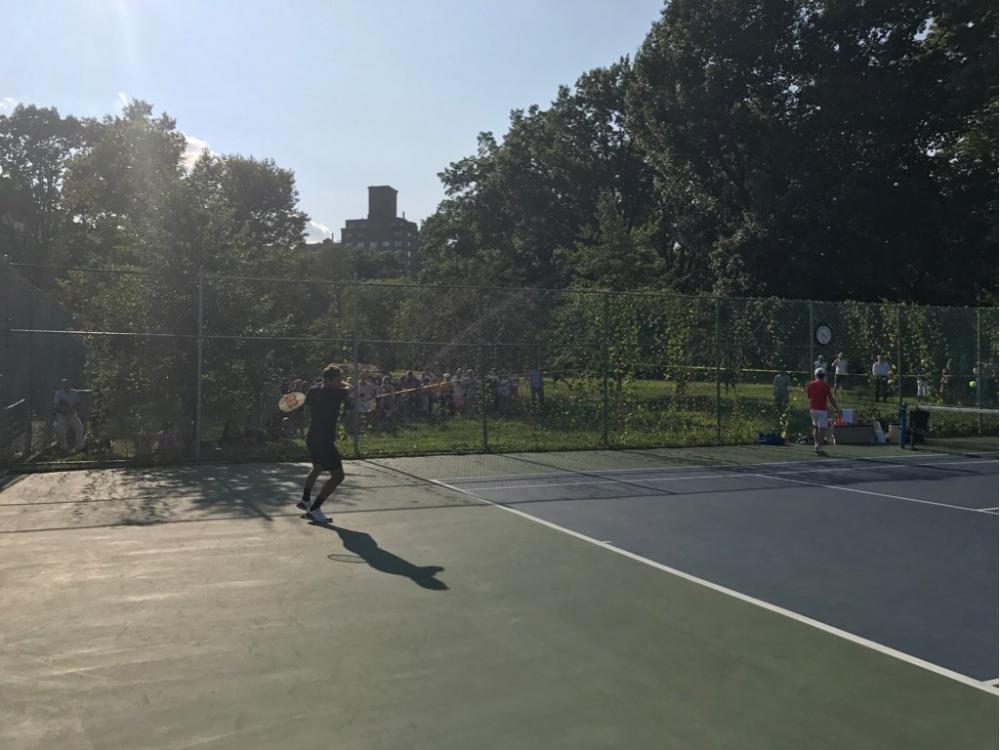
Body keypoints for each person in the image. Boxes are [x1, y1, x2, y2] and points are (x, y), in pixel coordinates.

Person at [297, 364, 350, 524]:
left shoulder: (313, 390)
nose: (340, 381)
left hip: (312, 437)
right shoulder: (337, 393)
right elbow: (350, 389)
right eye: (338, 379)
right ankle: (314, 509)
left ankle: (306, 500)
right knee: (338, 476)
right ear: (330, 380)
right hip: (324, 440)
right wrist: (344, 383)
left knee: (318, 467)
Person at [807, 368, 839, 456]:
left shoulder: (810, 384)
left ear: (815, 374)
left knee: (815, 428)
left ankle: (816, 446)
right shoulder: (825, 385)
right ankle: (820, 449)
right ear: (824, 375)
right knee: (822, 429)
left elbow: (809, 397)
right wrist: (836, 407)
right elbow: (831, 398)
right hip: (821, 410)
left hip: (813, 409)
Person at [53, 379, 84, 452]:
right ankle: (64, 448)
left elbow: (78, 403)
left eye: (67, 384)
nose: (65, 386)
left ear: (69, 385)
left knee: (79, 429)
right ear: (62, 385)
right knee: (60, 431)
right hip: (62, 415)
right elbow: (56, 406)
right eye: (64, 384)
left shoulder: (74, 392)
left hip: (72, 414)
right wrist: (64, 409)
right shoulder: (58, 393)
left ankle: (79, 447)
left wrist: (73, 408)